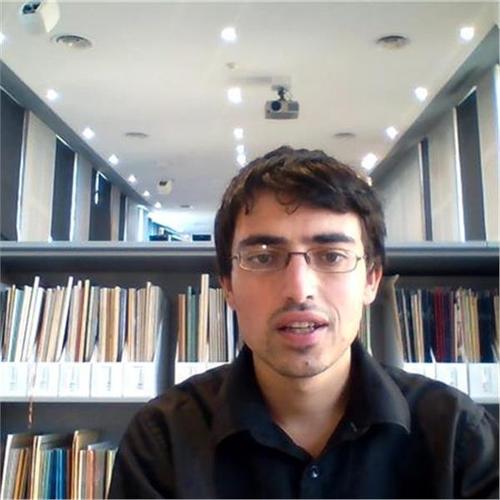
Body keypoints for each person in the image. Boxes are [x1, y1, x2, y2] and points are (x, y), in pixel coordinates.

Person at [109, 146, 498, 499]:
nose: (298, 290)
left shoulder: (458, 438)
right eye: (263, 257)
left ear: (371, 280)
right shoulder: (163, 442)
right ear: (227, 285)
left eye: (331, 256)